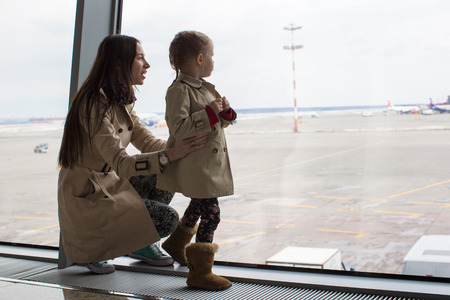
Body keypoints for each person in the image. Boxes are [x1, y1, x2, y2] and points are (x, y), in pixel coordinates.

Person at [57, 34, 206, 274]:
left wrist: (184, 146)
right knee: (167, 219)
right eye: (140, 58)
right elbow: (122, 163)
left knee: (168, 171)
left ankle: (141, 244)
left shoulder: (121, 99)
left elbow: (146, 141)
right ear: (118, 62)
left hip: (110, 184)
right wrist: (170, 154)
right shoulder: (93, 103)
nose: (147, 65)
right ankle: (99, 246)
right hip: (89, 195)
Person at [157, 31, 236, 290]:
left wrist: (224, 112)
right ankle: (201, 272)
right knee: (211, 216)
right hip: (197, 165)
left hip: (206, 165)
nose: (214, 61)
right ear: (200, 58)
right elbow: (179, 128)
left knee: (198, 206)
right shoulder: (179, 91)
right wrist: (209, 112)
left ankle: (176, 243)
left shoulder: (204, 88)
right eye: (212, 55)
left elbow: (217, 122)